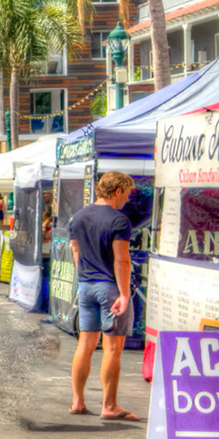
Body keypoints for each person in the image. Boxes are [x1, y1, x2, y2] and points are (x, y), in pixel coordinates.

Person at [68, 171, 138, 421]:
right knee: (112, 349)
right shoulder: (119, 220)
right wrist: (124, 293)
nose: (127, 200)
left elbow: (75, 250)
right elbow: (122, 260)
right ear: (118, 190)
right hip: (109, 287)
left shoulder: (78, 217)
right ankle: (109, 406)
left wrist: (85, 276)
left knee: (85, 344)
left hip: (86, 285)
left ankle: (77, 401)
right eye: (127, 193)